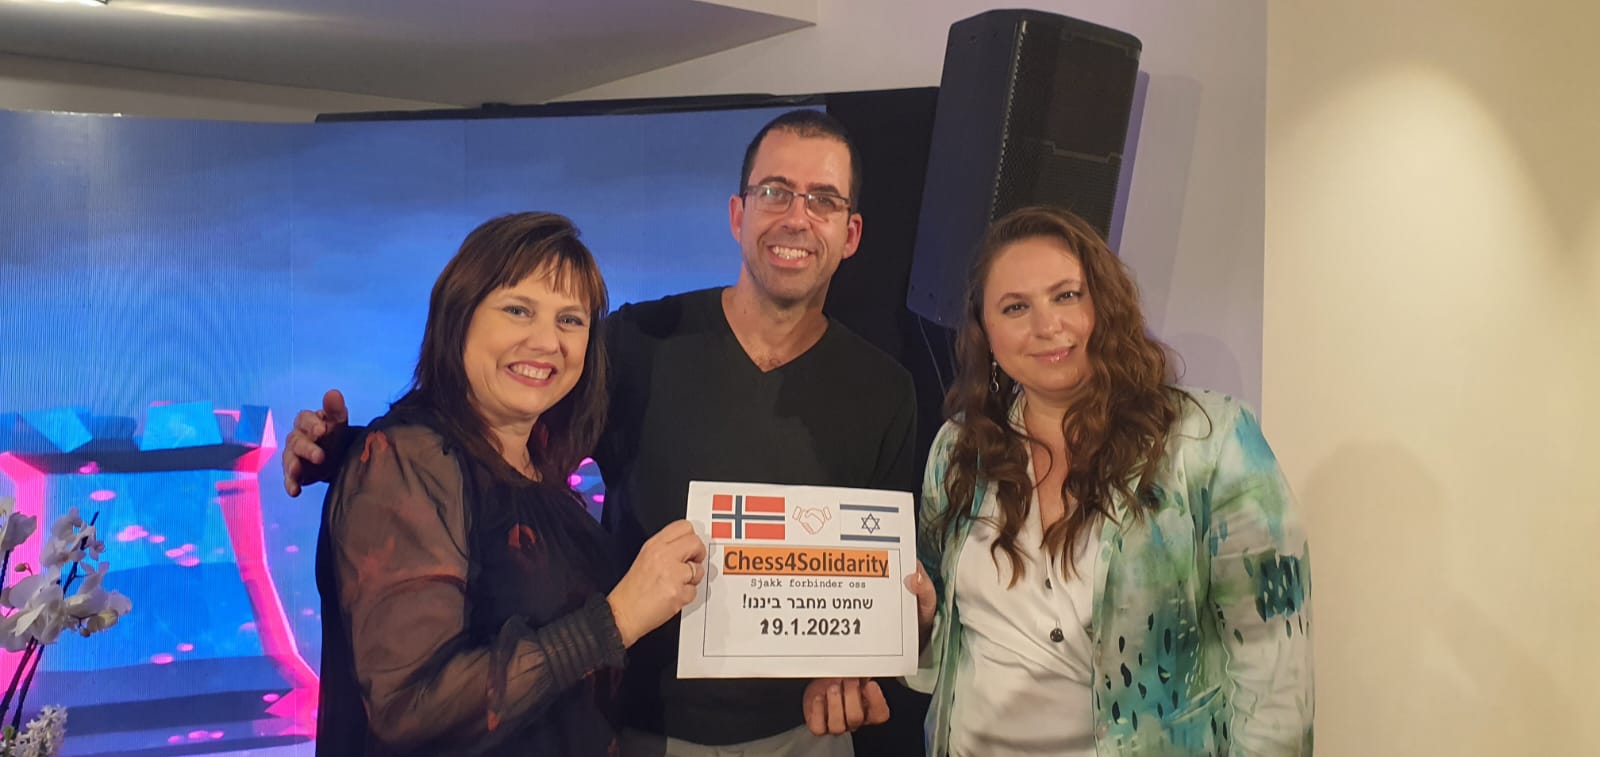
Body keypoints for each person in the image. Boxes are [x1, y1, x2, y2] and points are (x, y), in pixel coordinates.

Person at [288, 111, 920, 756]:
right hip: (634, 725)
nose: (796, 217)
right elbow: (491, 445)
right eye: (775, 192)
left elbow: (883, 576)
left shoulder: (885, 390)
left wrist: (869, 653)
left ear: (851, 233)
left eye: (823, 200)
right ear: (738, 214)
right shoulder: (637, 342)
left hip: (798, 734)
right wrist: (356, 452)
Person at [904, 206, 1314, 755]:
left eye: (1066, 295)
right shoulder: (960, 449)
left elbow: (1274, 669)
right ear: (986, 333)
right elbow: (939, 636)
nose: (1047, 326)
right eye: (1016, 307)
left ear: (1106, 304)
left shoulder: (1209, 442)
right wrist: (918, 625)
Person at [314, 212, 707, 757]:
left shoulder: (540, 468)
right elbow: (410, 707)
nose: (547, 341)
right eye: (518, 310)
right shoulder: (407, 460)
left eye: (570, 320)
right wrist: (615, 620)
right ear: (460, 316)